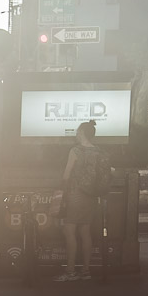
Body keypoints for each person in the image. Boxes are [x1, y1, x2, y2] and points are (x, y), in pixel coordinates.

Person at [55, 120, 105, 281]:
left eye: (77, 132)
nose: (76, 134)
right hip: (91, 196)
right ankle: (86, 270)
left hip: (76, 194)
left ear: (82, 133)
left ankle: (70, 271)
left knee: (69, 231)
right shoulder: (98, 151)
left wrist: (60, 191)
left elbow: (66, 174)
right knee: (85, 232)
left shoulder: (75, 151)